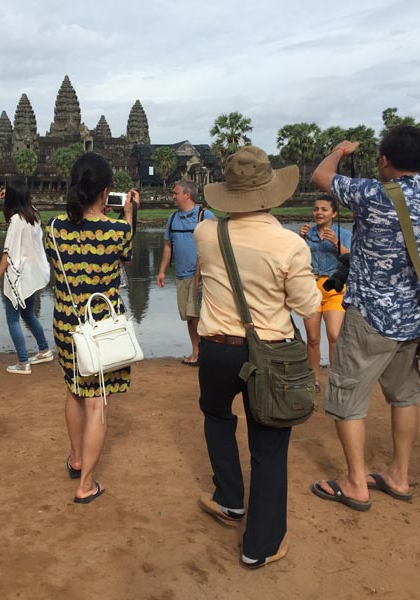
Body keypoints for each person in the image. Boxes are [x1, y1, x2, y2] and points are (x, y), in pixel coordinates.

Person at [309, 126, 420, 511]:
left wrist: (340, 150)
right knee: (404, 397)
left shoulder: (372, 194)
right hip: (413, 317)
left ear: (385, 160)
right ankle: (398, 476)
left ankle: (355, 482)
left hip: (370, 315)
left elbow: (321, 176)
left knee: (346, 397)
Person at [195, 146, 320, 569]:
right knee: (268, 446)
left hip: (216, 349)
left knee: (217, 417)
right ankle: (260, 546)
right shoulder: (289, 244)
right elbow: (307, 306)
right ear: (270, 193)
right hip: (271, 353)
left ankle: (230, 498)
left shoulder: (206, 233)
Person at [44, 152, 139, 504]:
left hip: (67, 323)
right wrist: (128, 214)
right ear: (105, 192)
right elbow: (126, 259)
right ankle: (85, 484)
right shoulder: (118, 231)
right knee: (97, 402)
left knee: (74, 390)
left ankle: (76, 458)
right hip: (103, 326)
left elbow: (58, 263)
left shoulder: (53, 228)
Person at [0, 178, 52, 374]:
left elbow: (7, 253)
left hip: (17, 276)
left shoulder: (16, 220)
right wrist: (8, 197)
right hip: (31, 274)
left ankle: (23, 362)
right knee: (28, 314)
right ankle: (44, 350)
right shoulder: (34, 214)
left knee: (13, 319)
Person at [157, 179, 214, 366]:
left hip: (201, 276)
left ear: (187, 195)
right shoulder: (173, 218)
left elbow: (214, 246)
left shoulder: (205, 216)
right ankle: (196, 351)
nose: (173, 196)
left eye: (176, 193)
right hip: (181, 276)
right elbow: (168, 245)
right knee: (189, 317)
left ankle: (204, 353)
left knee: (197, 315)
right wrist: (162, 271)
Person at [299, 196, 351, 391]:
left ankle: (335, 379)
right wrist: (300, 240)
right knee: (313, 338)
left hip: (335, 288)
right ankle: (313, 378)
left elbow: (351, 259)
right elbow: (296, 258)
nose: (319, 213)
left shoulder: (343, 234)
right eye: (316, 209)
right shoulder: (308, 233)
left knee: (334, 335)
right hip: (311, 288)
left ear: (334, 213)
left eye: (324, 209)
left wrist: (336, 243)